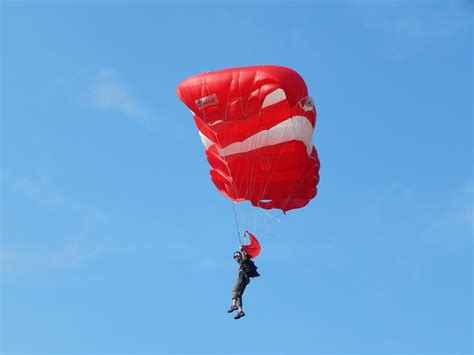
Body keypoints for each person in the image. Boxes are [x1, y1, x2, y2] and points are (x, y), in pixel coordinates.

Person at [227, 248, 260, 319]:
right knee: (238, 295)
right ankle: (240, 311)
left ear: (238, 256)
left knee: (234, 290)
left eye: (235, 257)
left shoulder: (242, 260)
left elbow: (244, 259)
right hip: (246, 279)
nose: (235, 259)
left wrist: (242, 250)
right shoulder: (245, 262)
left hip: (242, 277)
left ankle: (233, 305)